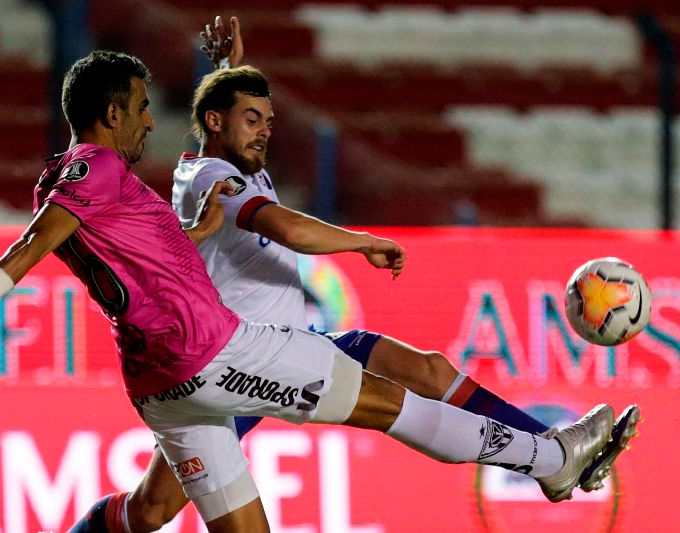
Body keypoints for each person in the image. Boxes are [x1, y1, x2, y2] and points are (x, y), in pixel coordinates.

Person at [0, 50, 616, 533]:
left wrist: (199, 231)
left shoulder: (86, 178)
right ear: (111, 113)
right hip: (222, 354)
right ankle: (553, 461)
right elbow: (42, 237)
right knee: (393, 404)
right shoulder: (94, 172)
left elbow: (137, 259)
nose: (151, 120)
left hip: (162, 386)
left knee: (168, 514)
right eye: (143, 106)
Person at [71, 18, 641, 533]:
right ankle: (549, 459)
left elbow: (221, 132)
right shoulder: (213, 178)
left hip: (287, 345)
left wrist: (227, 72)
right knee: (151, 511)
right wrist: (363, 241)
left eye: (269, 120)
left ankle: (548, 453)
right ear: (217, 123)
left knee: (420, 369)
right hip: (237, 366)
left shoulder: (223, 164)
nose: (266, 132)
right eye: (253, 120)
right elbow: (288, 229)